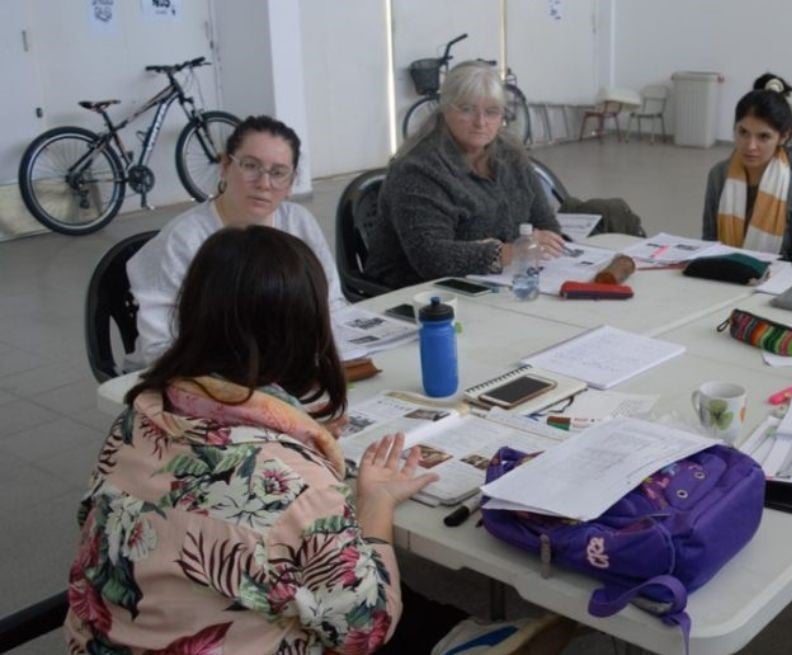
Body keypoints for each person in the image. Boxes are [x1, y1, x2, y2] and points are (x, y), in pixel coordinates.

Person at [71, 227, 571, 654]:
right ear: (306, 330)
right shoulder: (287, 479)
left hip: (109, 637)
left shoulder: (141, 413)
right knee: (391, 605)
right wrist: (372, 506)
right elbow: (367, 631)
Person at [127, 115, 346, 367]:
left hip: (283, 365)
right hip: (198, 368)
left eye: (278, 173)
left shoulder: (299, 222)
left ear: (291, 182)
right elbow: (160, 346)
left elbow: (331, 302)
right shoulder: (183, 239)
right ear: (225, 166)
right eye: (250, 166)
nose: (263, 184)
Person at [367, 61, 565, 287]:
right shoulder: (418, 169)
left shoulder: (512, 155)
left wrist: (535, 245)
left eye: (491, 112)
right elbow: (431, 257)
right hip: (417, 292)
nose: (481, 122)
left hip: (494, 281)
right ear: (445, 109)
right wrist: (507, 252)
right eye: (467, 109)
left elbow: (547, 226)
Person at [702, 73, 792, 266]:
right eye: (743, 132)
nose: (750, 146)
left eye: (764, 137)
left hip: (776, 289)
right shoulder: (719, 175)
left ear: (783, 137)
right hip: (723, 281)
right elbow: (708, 245)